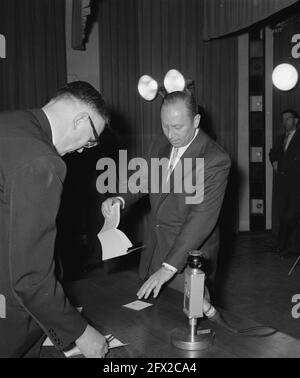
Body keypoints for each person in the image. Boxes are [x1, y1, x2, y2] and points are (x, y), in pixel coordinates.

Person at [0, 81, 110, 358]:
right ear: (81, 119)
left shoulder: (10, 123)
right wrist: (81, 334)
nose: (85, 149)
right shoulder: (42, 162)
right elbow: (30, 278)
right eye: (91, 139)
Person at [102, 91, 231, 300]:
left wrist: (169, 267)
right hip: (155, 248)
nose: (170, 134)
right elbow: (144, 177)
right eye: (165, 126)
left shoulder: (214, 159)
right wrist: (120, 199)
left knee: (188, 319)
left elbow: (200, 219)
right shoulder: (160, 144)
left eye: (177, 127)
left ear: (196, 120)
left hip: (187, 257)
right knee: (150, 318)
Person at [269, 109, 300, 258]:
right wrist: (274, 160)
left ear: (296, 121)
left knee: (291, 216)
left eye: (288, 118)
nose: (285, 122)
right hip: (282, 185)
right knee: (283, 215)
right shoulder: (281, 138)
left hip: (295, 184)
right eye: (283, 119)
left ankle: (290, 246)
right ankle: (283, 245)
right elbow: (272, 152)